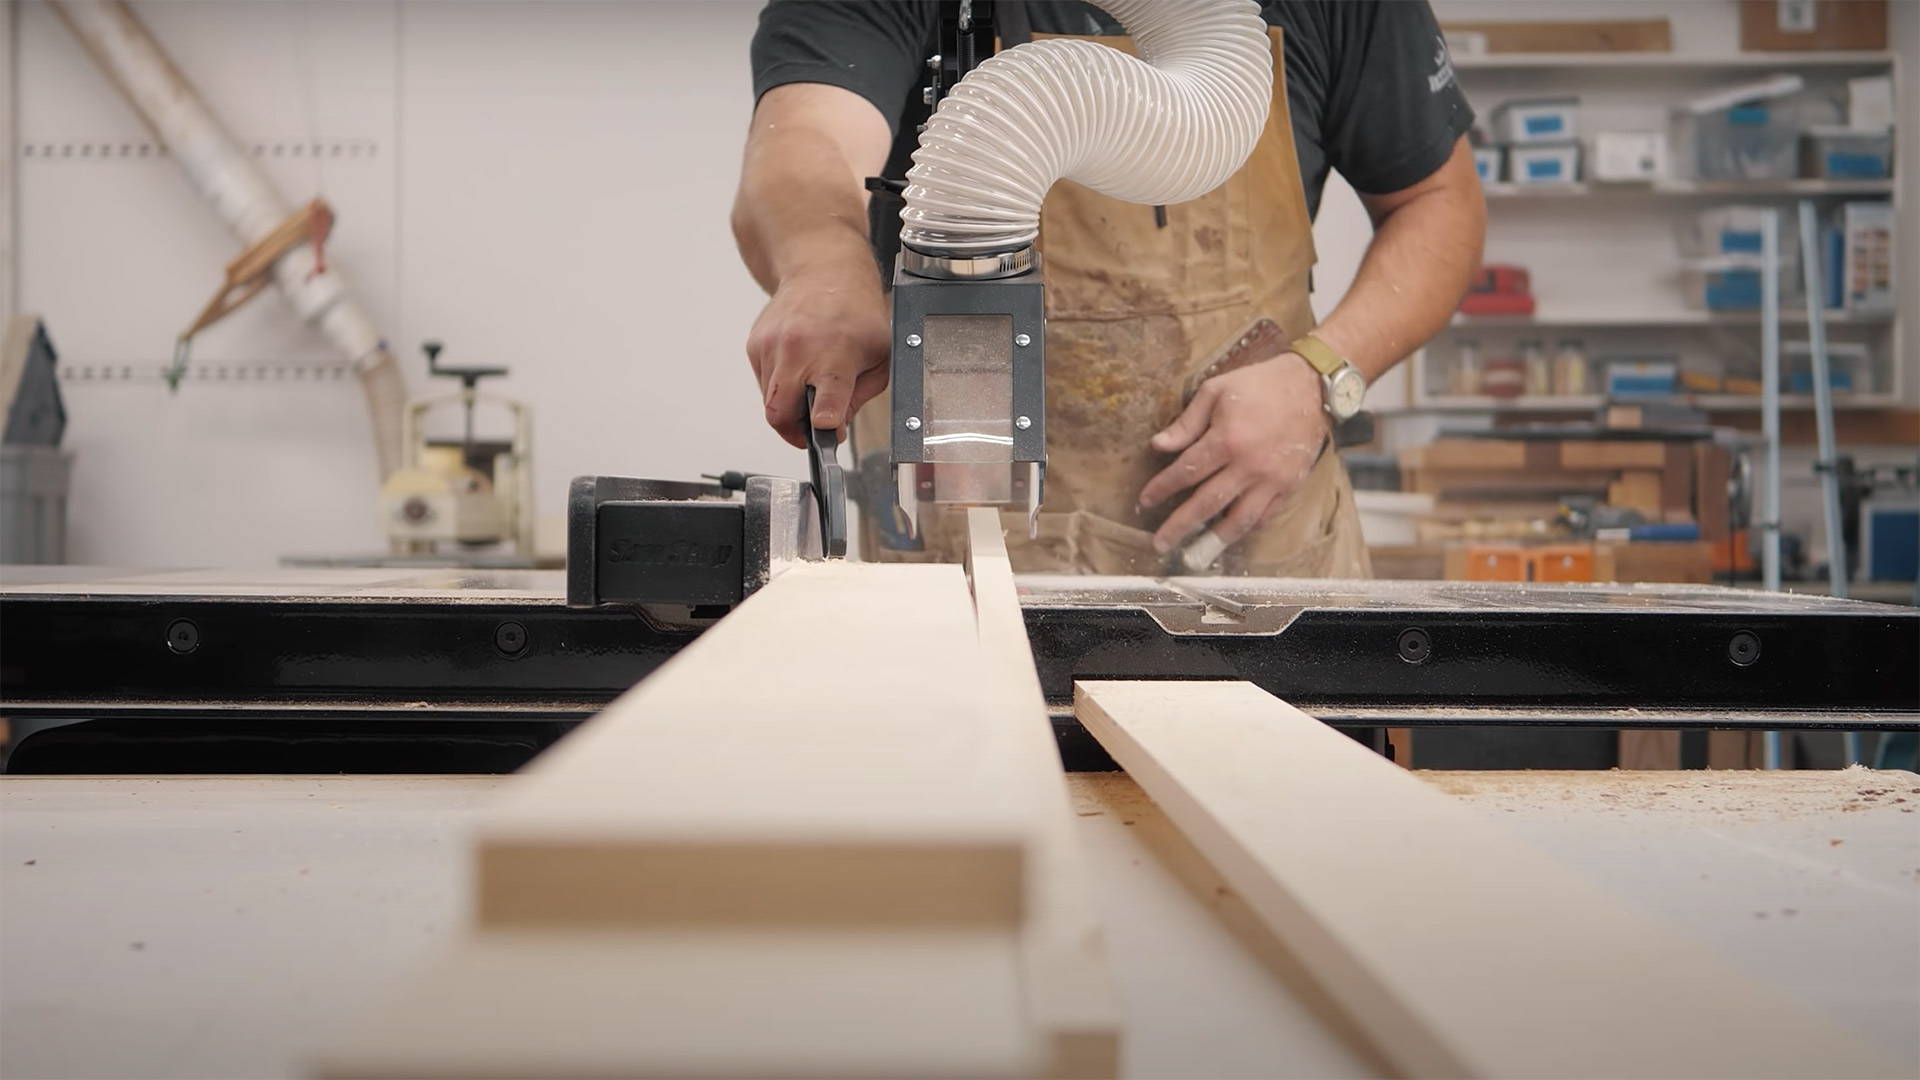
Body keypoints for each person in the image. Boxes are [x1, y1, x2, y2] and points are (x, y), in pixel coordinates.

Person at [732, 0, 1484, 575]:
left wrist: (1323, 374)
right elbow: (805, 141)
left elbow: (1438, 203)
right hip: (967, 553)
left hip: (1246, 558)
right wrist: (823, 263)